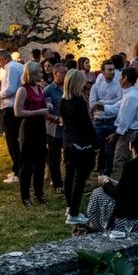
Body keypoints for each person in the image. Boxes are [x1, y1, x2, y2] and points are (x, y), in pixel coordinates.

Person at [86, 132, 138, 232]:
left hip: (135, 222)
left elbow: (118, 195)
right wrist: (110, 181)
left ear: (131, 146)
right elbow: (129, 188)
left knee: (98, 193)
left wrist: (106, 181)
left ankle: (97, 226)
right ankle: (96, 226)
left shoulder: (131, 166)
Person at [14, 61, 56, 207]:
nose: (41, 73)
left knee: (40, 161)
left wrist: (52, 114)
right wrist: (38, 111)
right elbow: (18, 112)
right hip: (28, 127)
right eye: (39, 71)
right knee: (27, 163)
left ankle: (39, 193)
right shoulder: (23, 90)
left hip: (40, 127)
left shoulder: (39, 88)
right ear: (31, 73)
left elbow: (44, 109)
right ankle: (25, 196)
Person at [60, 69, 98, 225]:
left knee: (69, 175)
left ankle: (70, 206)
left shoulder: (63, 100)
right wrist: (96, 143)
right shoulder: (78, 102)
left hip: (68, 140)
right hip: (80, 143)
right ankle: (74, 213)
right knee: (79, 178)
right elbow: (86, 125)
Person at [99, 66, 138, 178]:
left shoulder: (131, 96)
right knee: (125, 160)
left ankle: (123, 185)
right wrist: (102, 107)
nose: (118, 79)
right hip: (126, 131)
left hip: (127, 133)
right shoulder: (128, 93)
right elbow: (117, 107)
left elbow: (125, 121)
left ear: (125, 78)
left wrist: (116, 134)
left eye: (121, 77)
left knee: (120, 161)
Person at [89, 60, 122, 176]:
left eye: (113, 69)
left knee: (110, 149)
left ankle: (107, 172)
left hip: (112, 120)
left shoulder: (119, 85)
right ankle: (99, 169)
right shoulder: (96, 86)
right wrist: (110, 102)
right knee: (98, 148)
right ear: (102, 72)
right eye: (109, 70)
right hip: (98, 121)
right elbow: (92, 103)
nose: (112, 72)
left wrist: (101, 102)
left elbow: (119, 101)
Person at [0, 50, 24, 184]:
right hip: (18, 106)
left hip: (10, 106)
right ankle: (19, 167)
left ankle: (18, 170)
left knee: (12, 139)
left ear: (4, 59)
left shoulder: (10, 68)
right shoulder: (19, 66)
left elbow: (10, 89)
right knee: (18, 139)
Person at [44, 63, 67, 193]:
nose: (66, 75)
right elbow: (46, 112)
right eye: (64, 72)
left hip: (68, 129)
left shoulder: (69, 88)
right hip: (54, 129)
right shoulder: (48, 91)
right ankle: (57, 183)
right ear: (55, 74)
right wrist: (58, 119)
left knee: (69, 156)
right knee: (54, 157)